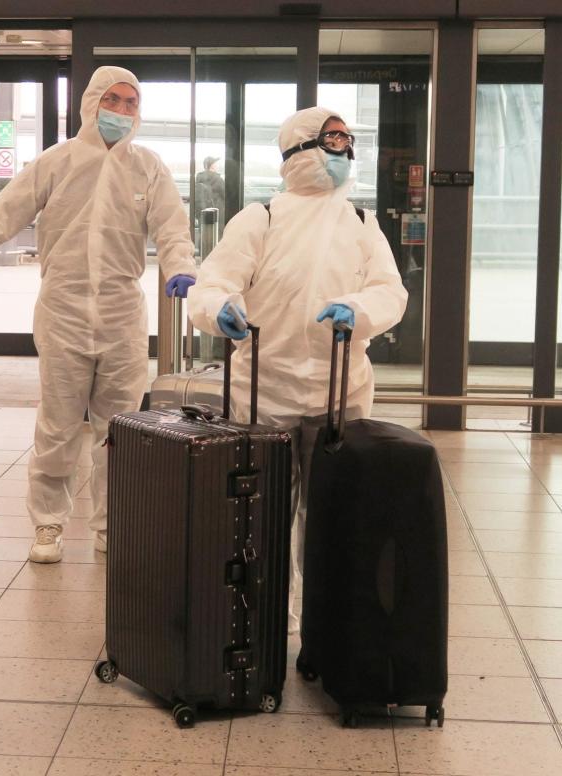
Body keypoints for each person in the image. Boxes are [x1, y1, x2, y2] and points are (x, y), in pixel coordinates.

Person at [0, 66, 197, 564]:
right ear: (92, 102)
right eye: (113, 100)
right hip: (63, 313)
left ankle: (111, 524)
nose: (121, 111)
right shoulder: (55, 162)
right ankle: (49, 523)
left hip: (122, 316)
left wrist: (180, 268)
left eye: (131, 104)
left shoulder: (149, 167)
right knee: (57, 426)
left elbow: (172, 228)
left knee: (119, 429)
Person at [187, 106, 407, 633]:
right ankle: (261, 616)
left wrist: (359, 308)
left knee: (334, 512)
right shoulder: (260, 217)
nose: (344, 150)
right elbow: (212, 283)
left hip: (341, 389)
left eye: (348, 140)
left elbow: (390, 291)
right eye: (333, 139)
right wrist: (218, 309)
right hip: (266, 390)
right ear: (300, 149)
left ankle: (321, 617)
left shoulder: (360, 221)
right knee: (262, 511)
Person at [195, 155, 225, 221]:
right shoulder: (218, 180)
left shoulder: (199, 179)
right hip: (216, 215)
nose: (217, 166)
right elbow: (226, 196)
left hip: (202, 215)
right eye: (215, 164)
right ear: (212, 166)